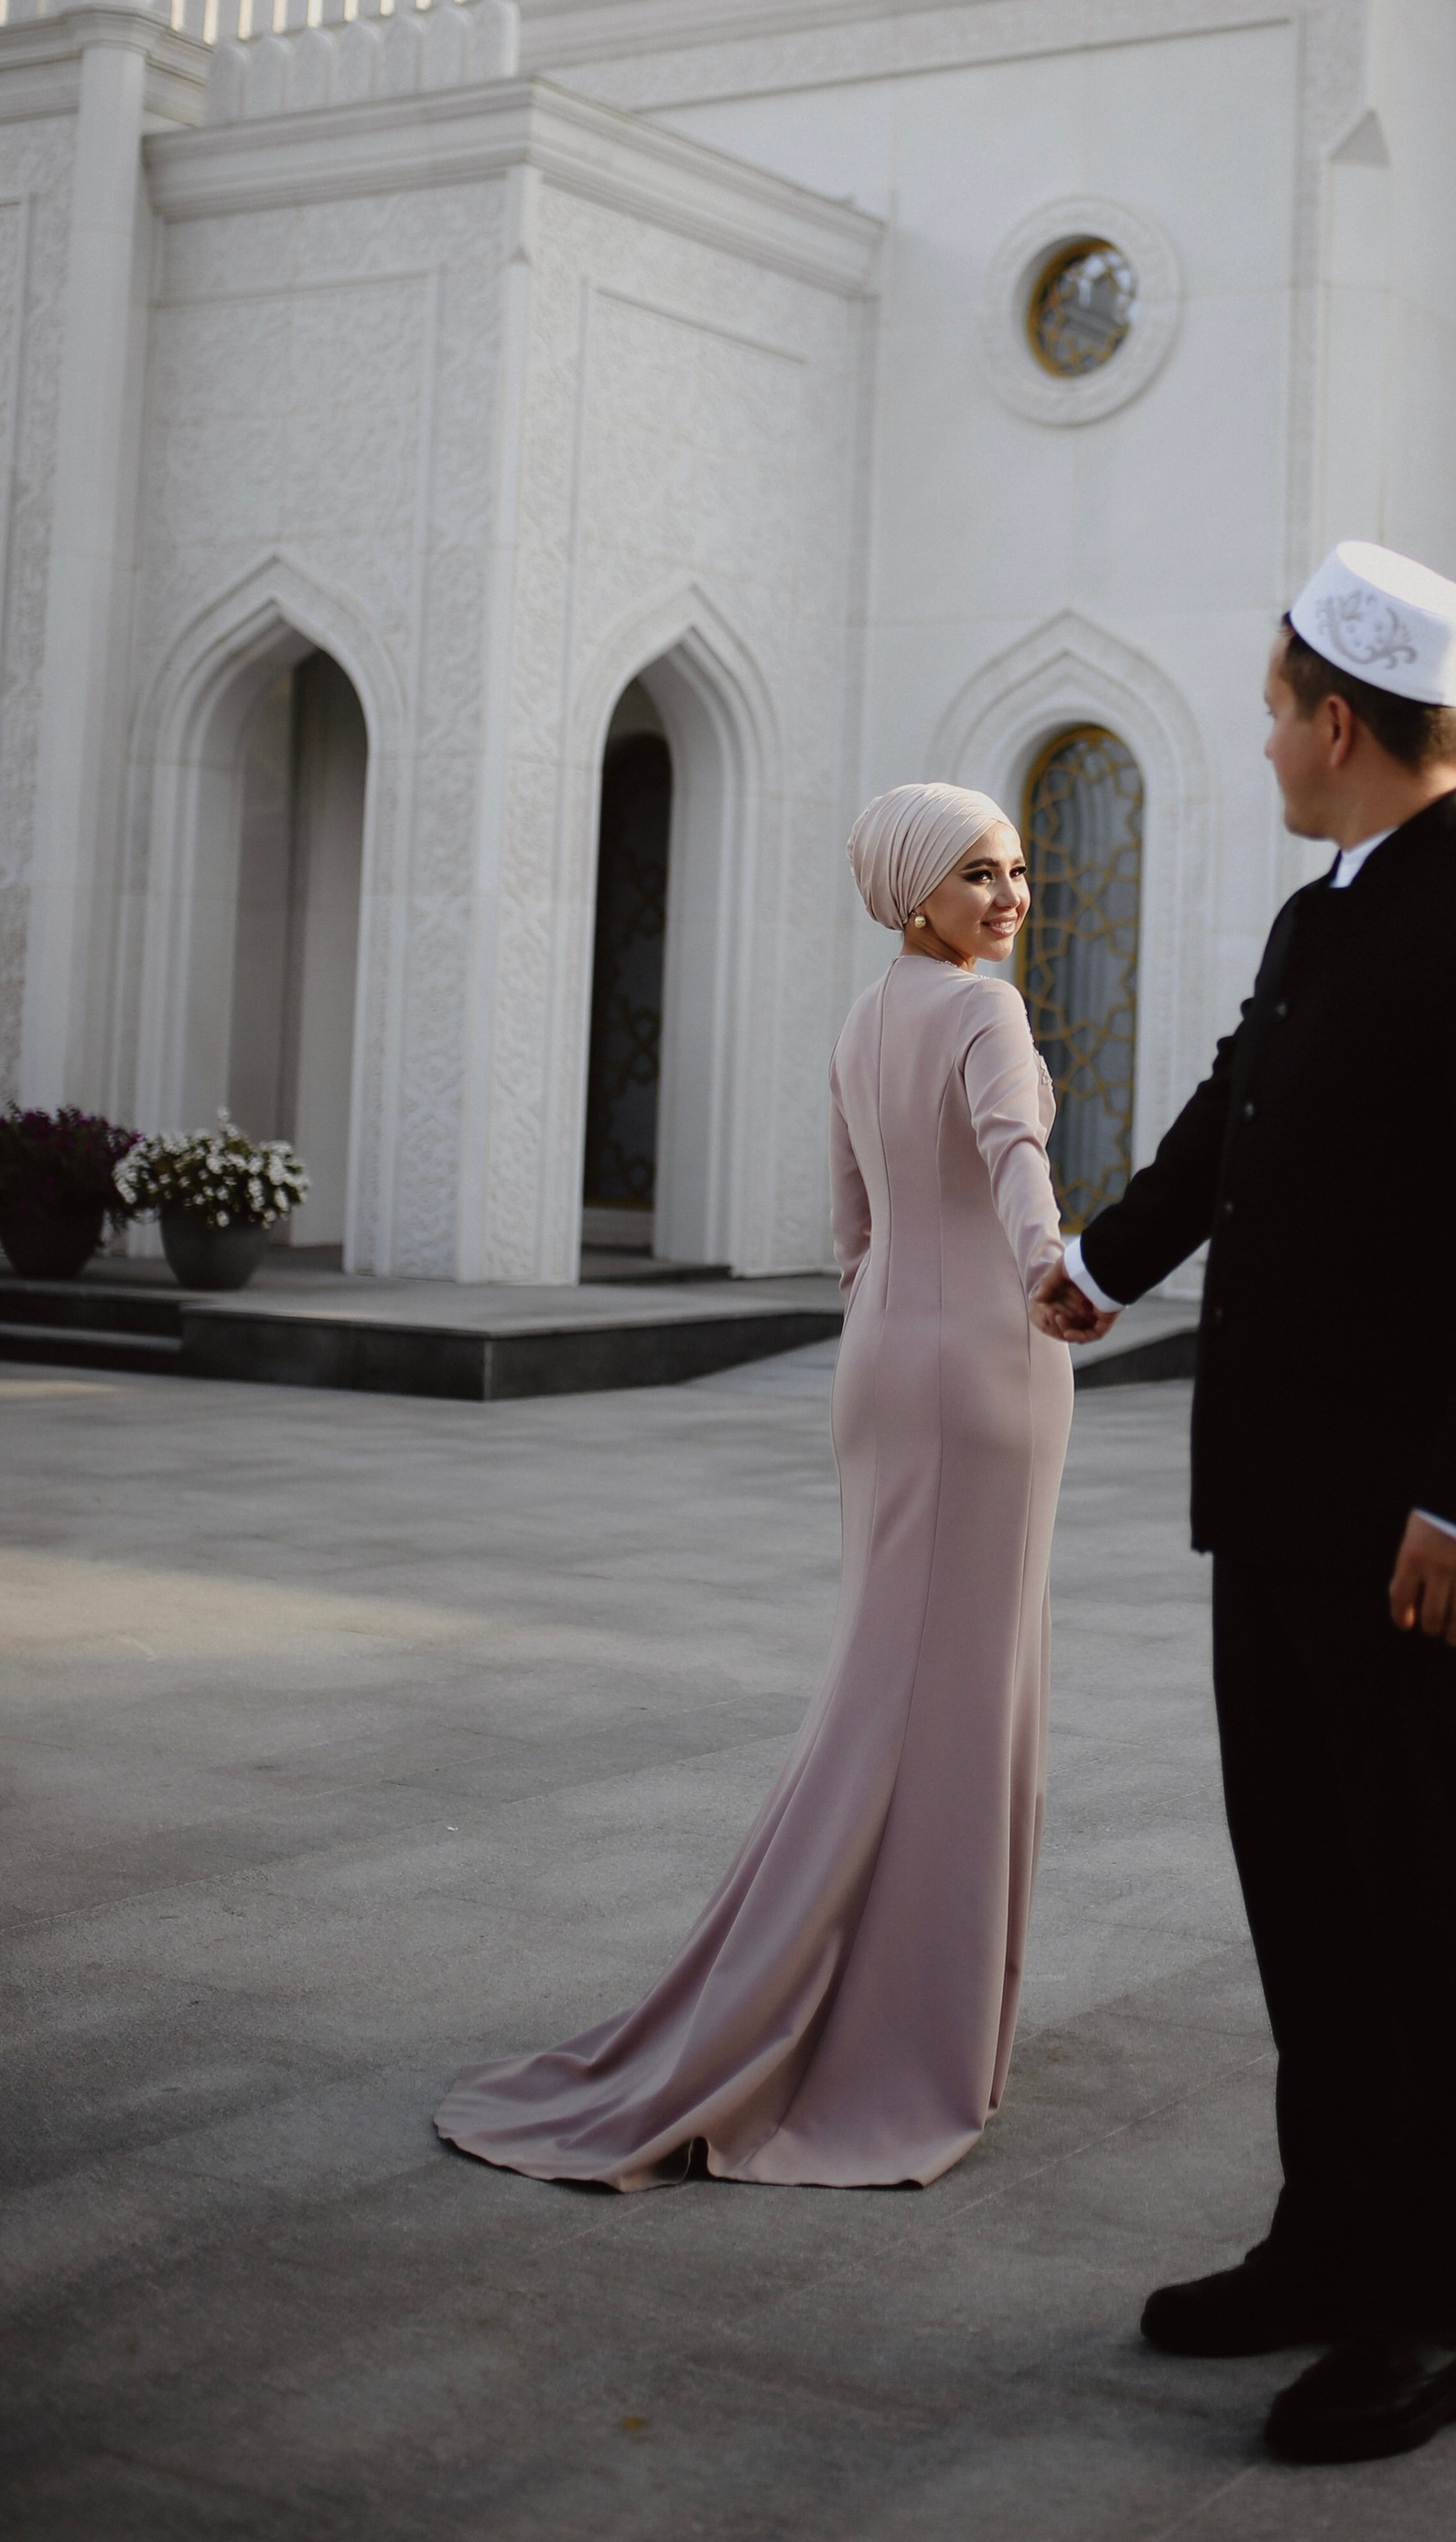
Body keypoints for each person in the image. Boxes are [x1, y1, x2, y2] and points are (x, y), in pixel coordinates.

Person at [1034, 542, 1456, 2468]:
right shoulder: (1325, 918)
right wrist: (1103, 1269)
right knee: (1304, 1884)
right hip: (1280, 1505)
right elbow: (1236, 1112)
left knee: (1421, 1900)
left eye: (1278, 706)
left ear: (1341, 722)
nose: (1264, 738)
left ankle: (1432, 2308)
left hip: (1416, 1543)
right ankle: (1324, 2239)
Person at [437, 781, 1102, 2192]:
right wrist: (1050, 1273)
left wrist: (897, 1326)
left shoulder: (866, 1018)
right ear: (913, 888)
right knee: (962, 1692)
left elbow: (853, 1232)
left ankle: (851, 1982)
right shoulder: (982, 1014)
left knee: (895, 1680)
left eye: (1019, 870)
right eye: (977, 872)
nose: (1009, 897)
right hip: (985, 1372)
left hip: (883, 1367)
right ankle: (906, 2023)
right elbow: (1015, 1160)